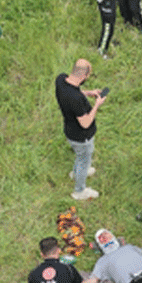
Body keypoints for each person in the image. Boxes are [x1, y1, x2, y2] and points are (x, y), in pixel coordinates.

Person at [55, 59, 107, 201]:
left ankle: (76, 172)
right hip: (81, 137)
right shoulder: (76, 99)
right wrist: (97, 104)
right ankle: (79, 191)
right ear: (84, 76)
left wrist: (88, 92)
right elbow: (85, 123)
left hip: (69, 131)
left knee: (80, 157)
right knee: (84, 158)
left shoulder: (60, 79)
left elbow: (71, 91)